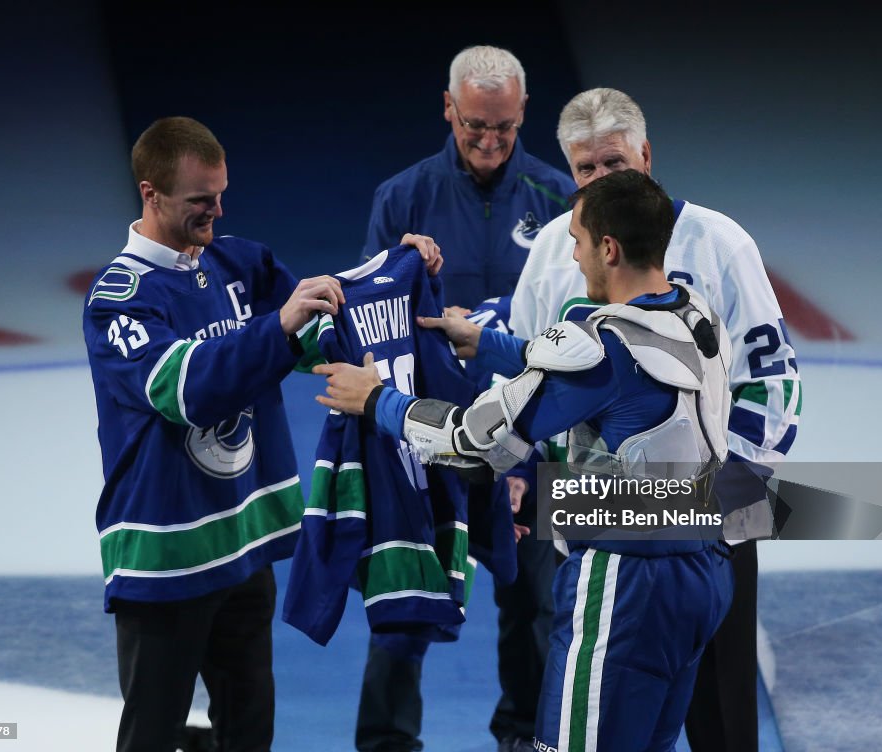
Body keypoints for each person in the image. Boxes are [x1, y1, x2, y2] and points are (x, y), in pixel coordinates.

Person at [316, 169, 735, 751]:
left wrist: (376, 400)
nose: (573, 252)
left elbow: (471, 440)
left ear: (609, 249)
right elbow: (599, 375)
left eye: (579, 240)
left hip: (625, 588)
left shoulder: (604, 343)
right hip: (704, 572)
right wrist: (485, 342)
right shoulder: (695, 315)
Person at [509, 88, 802, 751]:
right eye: (585, 171)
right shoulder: (560, 248)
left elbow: (775, 385)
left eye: (614, 165)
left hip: (711, 512)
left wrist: (723, 499)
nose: (600, 182)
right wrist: (529, 474)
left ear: (647, 154)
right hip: (596, 520)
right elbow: (526, 369)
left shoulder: (720, 242)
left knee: (720, 716)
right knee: (606, 716)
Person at [81, 116, 348, 752]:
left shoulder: (239, 262)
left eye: (221, 194)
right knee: (152, 732)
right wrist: (278, 326)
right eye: (200, 200)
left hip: (241, 543)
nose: (217, 210)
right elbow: (187, 391)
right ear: (151, 194)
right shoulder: (118, 299)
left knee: (250, 728)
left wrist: (396, 265)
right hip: (165, 553)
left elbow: (321, 329)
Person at [357, 45, 576, 752]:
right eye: (475, 125)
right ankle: (387, 743)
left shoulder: (558, 200)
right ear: (448, 107)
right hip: (426, 440)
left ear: (524, 115)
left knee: (535, 607)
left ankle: (526, 739)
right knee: (404, 606)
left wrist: (526, 455)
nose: (489, 142)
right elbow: (375, 325)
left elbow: (570, 336)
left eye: (505, 128)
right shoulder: (402, 198)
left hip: (534, 442)